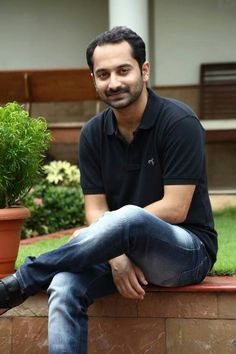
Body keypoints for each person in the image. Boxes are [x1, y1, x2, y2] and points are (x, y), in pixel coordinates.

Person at [0, 26, 217, 353]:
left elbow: (175, 208)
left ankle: (20, 282)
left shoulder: (178, 123)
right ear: (94, 79)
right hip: (118, 250)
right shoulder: (92, 134)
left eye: (123, 70)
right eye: (103, 74)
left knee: (128, 217)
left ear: (144, 70)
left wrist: (108, 234)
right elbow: (95, 210)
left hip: (185, 250)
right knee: (63, 284)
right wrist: (114, 252)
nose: (113, 82)